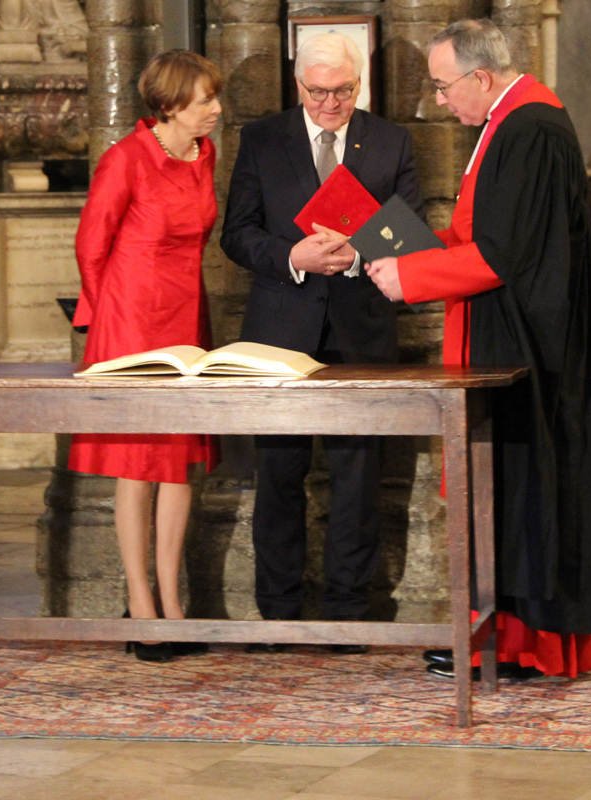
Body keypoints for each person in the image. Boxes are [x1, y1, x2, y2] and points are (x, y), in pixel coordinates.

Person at [365, 19, 591, 679]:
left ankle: (526, 645)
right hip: (505, 333)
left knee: (524, 487)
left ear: (481, 77)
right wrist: (388, 246)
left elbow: (506, 255)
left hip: (528, 350)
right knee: (503, 488)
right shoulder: (504, 122)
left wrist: (410, 277)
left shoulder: (531, 128)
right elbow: (478, 233)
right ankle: (498, 636)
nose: (440, 102)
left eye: (444, 86)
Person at [220, 33, 424, 652]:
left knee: (357, 477)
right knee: (279, 473)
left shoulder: (390, 140)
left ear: (357, 85)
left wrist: (360, 252)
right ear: (297, 84)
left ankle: (347, 612)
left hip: (360, 332)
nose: (330, 103)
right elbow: (236, 234)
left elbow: (411, 234)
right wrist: (294, 256)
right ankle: (280, 611)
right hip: (280, 334)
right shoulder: (262, 139)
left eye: (342, 91)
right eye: (318, 92)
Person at [68, 50, 222, 662]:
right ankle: (141, 605)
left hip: (187, 315)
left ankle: (173, 603)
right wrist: (112, 322)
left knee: (177, 459)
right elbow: (91, 245)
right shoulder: (125, 158)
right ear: (169, 104)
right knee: (136, 462)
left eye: (215, 97)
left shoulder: (203, 157)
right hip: (131, 319)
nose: (215, 109)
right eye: (205, 98)